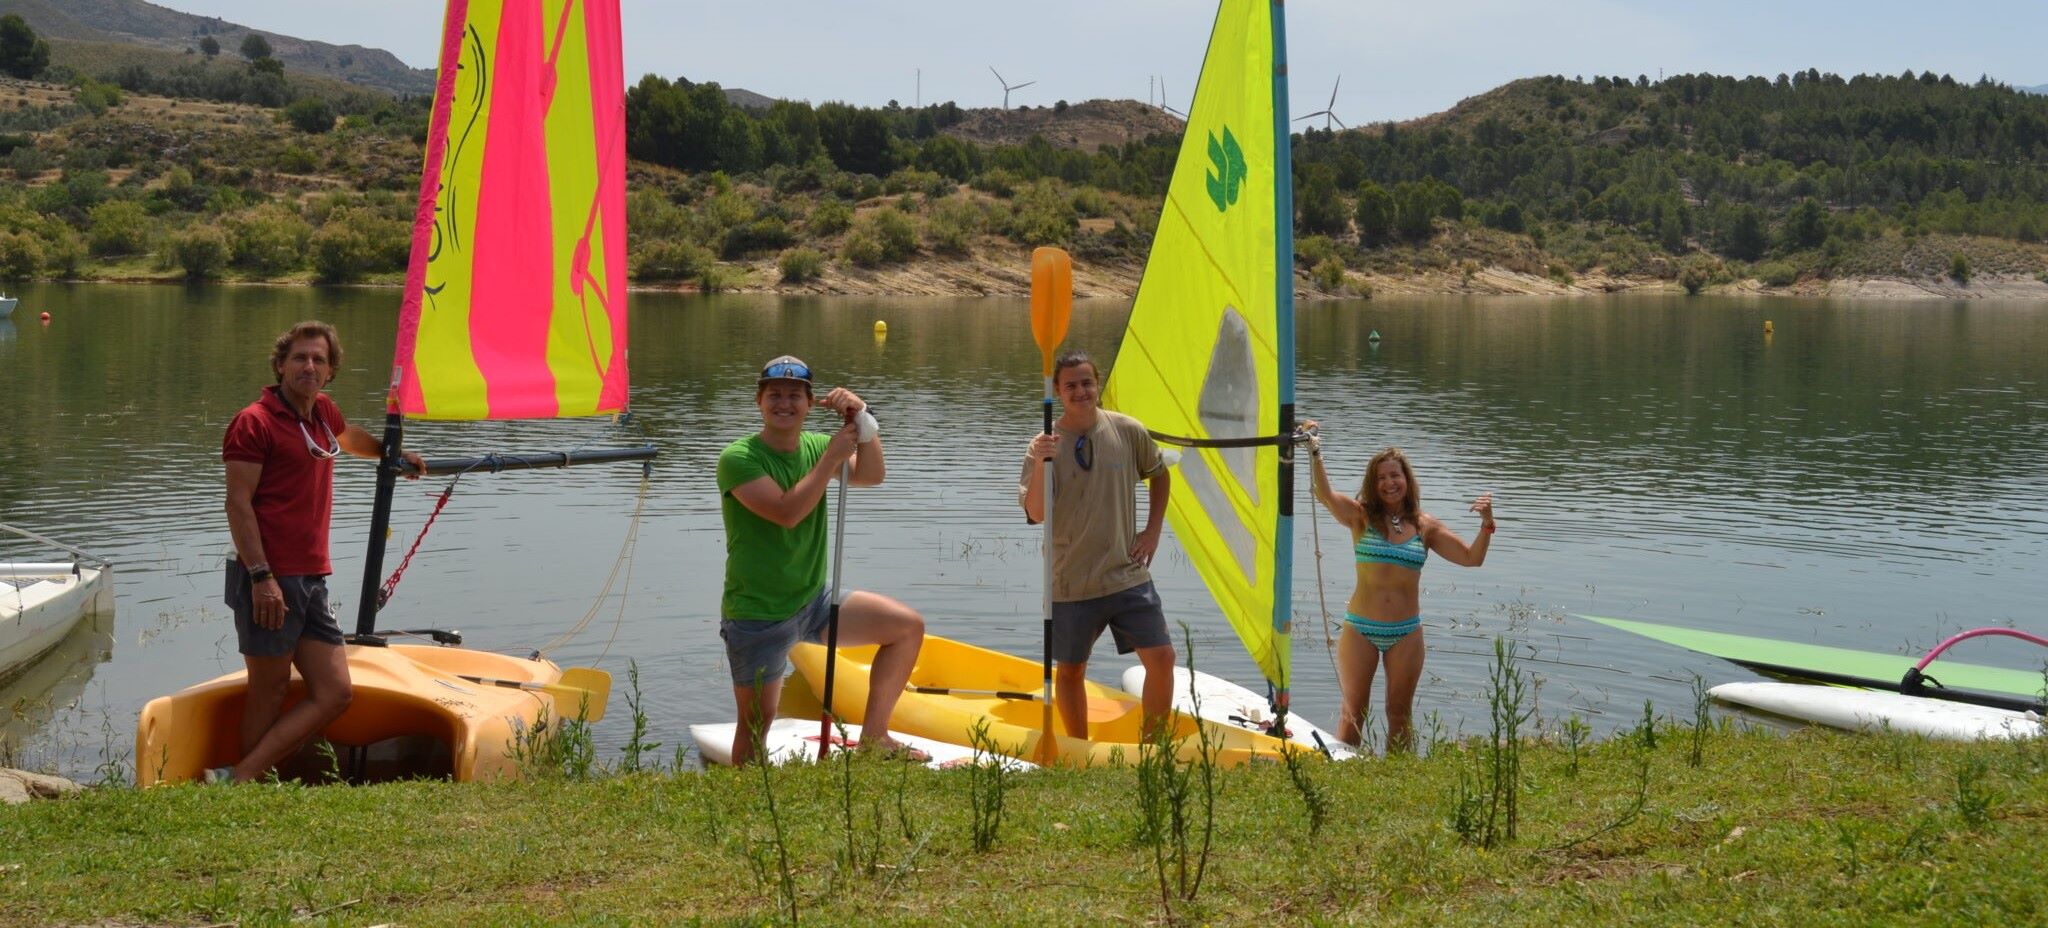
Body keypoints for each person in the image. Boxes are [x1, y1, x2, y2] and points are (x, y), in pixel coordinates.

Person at [221, 321, 423, 784]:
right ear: (280, 365)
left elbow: (348, 437)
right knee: (268, 692)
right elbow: (237, 504)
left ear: (330, 371)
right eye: (299, 358)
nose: (308, 366)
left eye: (318, 359)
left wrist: (392, 456)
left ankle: (242, 777)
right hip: (267, 577)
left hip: (312, 578)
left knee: (334, 691)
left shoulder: (322, 413)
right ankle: (245, 785)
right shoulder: (253, 422)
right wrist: (260, 577)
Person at [717, 355, 928, 765]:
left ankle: (874, 738)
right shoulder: (738, 458)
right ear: (759, 401)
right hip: (757, 613)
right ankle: (740, 795)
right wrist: (831, 459)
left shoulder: (816, 444)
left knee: (906, 628)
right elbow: (786, 513)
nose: (784, 403)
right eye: (774, 394)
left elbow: (871, 475)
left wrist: (863, 420)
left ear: (809, 403)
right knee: (757, 723)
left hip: (814, 601)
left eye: (795, 396)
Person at [1303, 429, 1494, 752]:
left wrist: (1486, 524)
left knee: (1399, 714)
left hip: (1405, 633)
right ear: (1372, 484)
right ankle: (1342, 780)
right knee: (1353, 713)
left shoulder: (1425, 526)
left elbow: (1471, 558)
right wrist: (1315, 452)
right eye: (1381, 478)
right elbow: (1325, 495)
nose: (1389, 483)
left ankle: (1396, 780)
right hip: (1360, 629)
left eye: (1395, 475)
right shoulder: (1360, 517)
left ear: (1407, 480)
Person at [1019, 350, 1176, 738]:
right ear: (1057, 390)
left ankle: (1155, 748)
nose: (1081, 391)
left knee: (1162, 658)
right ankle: (1077, 746)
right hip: (1070, 581)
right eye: (1070, 385)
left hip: (1126, 574)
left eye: (1087, 382)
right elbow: (1036, 513)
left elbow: (1160, 474)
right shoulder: (1043, 445)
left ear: (1098, 383)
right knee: (1071, 670)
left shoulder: (1128, 430)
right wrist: (1041, 462)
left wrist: (1153, 530)